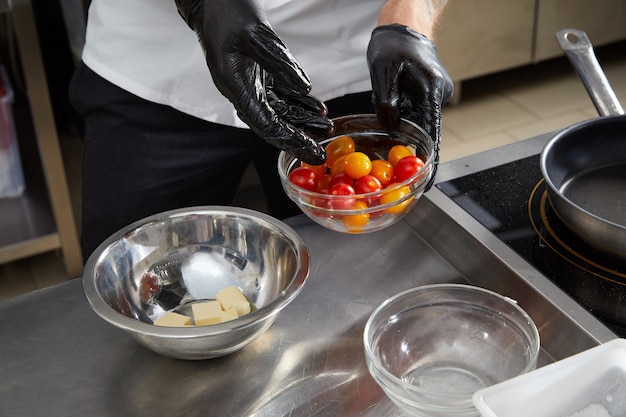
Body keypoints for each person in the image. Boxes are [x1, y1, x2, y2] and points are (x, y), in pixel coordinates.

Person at [69, 0, 454, 260]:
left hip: (352, 59)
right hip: (155, 64)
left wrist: (411, 18)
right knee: (135, 273)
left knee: (364, 272)